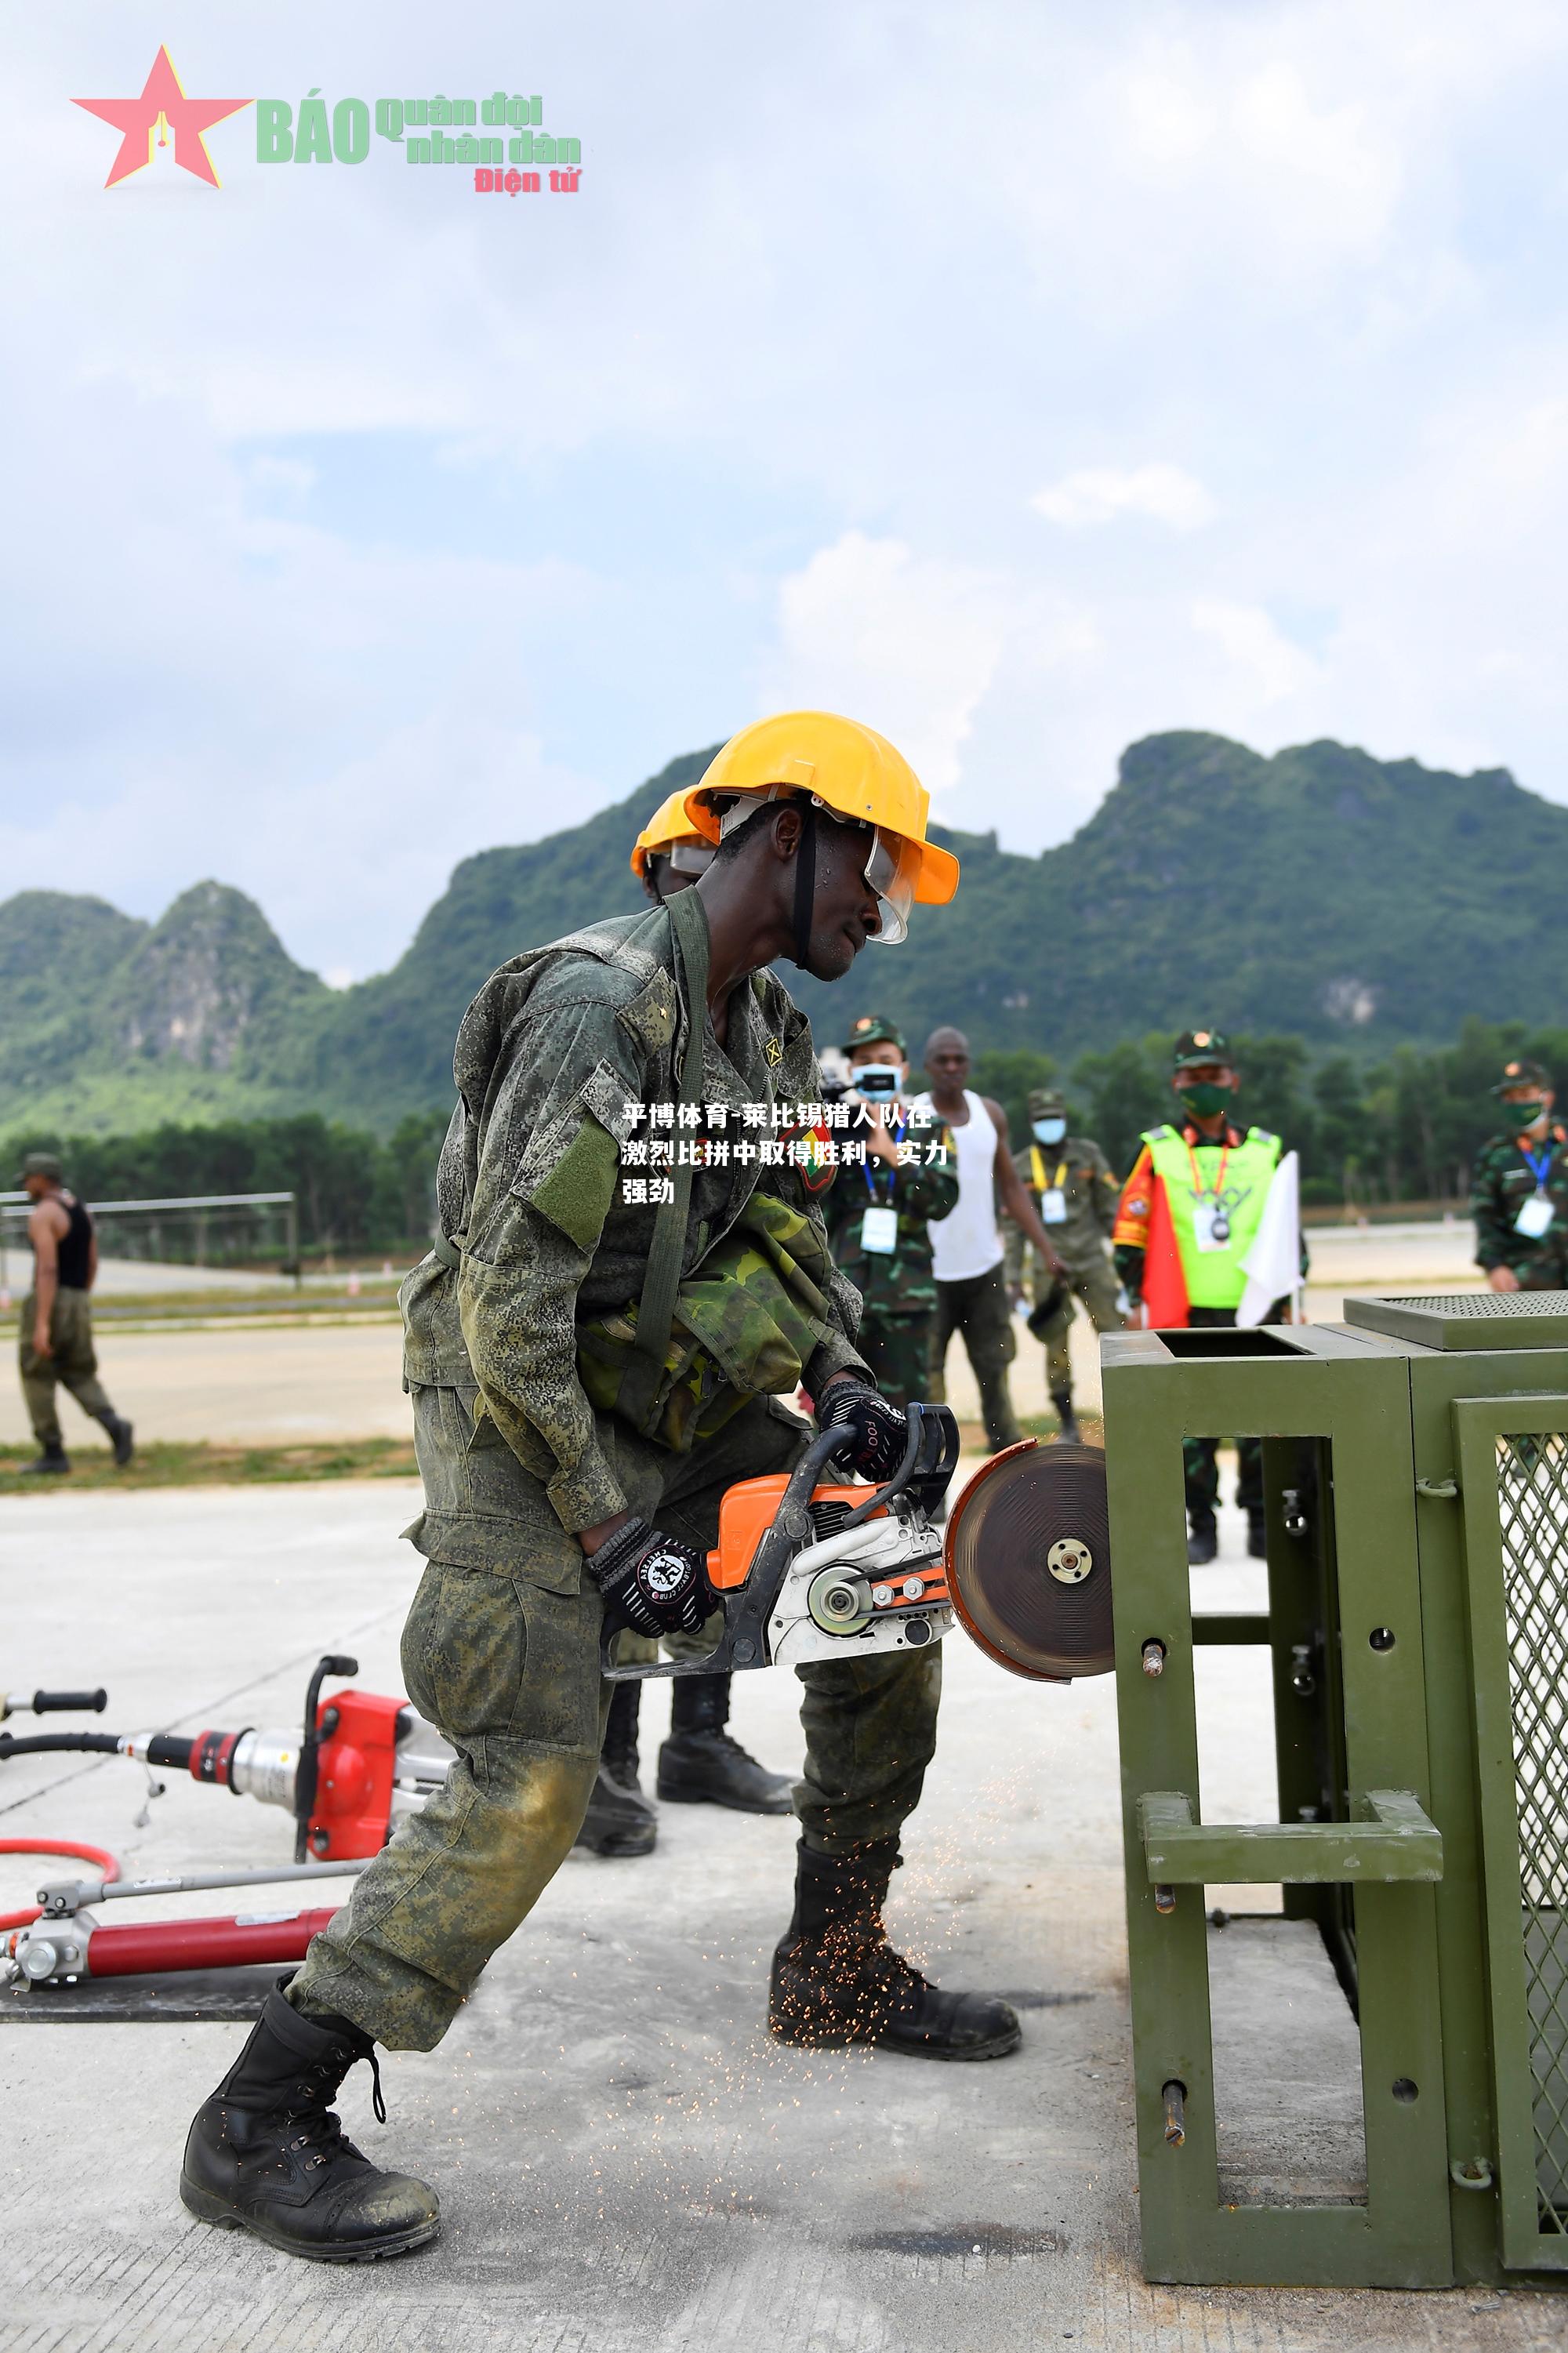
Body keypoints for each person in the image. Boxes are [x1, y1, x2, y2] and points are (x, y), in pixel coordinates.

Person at [180, 710, 1022, 2266]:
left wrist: (841, 1380)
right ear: (788, 834)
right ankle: (257, 2119)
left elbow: (775, 1230)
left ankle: (834, 1963)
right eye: (875, 873)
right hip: (519, 1419)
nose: (881, 910)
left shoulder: (761, 1034)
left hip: (649, 1394)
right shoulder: (600, 1015)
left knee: (883, 1566)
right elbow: (510, 1308)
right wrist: (612, 1530)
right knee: (535, 1771)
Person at [574, 790, 791, 1861]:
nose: (703, 890)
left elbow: (781, 1197)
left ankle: (698, 1741)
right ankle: (603, 1764)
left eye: (719, 867)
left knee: (729, 1535)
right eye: (685, 871)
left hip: (720, 1337)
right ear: (654, 879)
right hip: (612, 1347)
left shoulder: (761, 1021)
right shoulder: (601, 1009)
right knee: (623, 1548)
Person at [1113, 1030, 1303, 1564]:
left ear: (1232, 1080)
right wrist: (1134, 1298)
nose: (1204, 1086)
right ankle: (1202, 1523)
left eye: (1213, 1075)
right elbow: (1130, 1232)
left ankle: (1264, 1521)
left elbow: (1290, 1235)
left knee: (1263, 1421)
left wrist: (1292, 1292)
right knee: (1188, 1429)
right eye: (1193, 1077)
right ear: (1177, 1083)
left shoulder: (1268, 1150)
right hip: (1183, 1314)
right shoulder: (1157, 1150)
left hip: (1256, 1311)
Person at [914, 1028, 1066, 1452]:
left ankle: (1007, 1477)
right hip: (928, 1274)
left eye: (958, 1059)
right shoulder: (912, 1117)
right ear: (927, 1066)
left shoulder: (990, 1115)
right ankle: (929, 1493)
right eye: (942, 1060)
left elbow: (1013, 1189)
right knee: (927, 1385)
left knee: (995, 1372)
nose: (951, 1067)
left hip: (984, 1270)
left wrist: (1047, 1249)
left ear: (968, 1064)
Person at [821, 1015, 956, 1409]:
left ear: (903, 1069)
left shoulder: (928, 1128)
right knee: (837, 1416)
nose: (874, 1067)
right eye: (864, 1061)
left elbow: (944, 1201)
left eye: (884, 1058)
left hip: (907, 1300)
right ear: (850, 1071)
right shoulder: (835, 1128)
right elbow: (815, 1206)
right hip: (844, 1296)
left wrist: (893, 1155)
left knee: (911, 1416)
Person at [1003, 1087, 1124, 1443]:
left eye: (1054, 1118)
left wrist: (1128, 1261)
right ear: (1032, 1124)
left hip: (1090, 1260)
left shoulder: (1087, 1156)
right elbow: (1013, 1228)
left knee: (1115, 1337)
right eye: (1042, 1120)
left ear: (1065, 1119)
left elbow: (1109, 1210)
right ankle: (1069, 1423)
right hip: (1047, 1268)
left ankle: (1122, 1411)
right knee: (1055, 1347)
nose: (1049, 1125)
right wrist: (1013, 1280)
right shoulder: (1022, 1166)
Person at [15, 1151, 133, 1476]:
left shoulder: (44, 1214)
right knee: (79, 1370)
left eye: (28, 1179)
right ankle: (114, 1425)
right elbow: (93, 1262)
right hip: (80, 1298)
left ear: (41, 1179)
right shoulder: (81, 1211)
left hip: (51, 1298)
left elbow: (48, 1268)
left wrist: (42, 1322)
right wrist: (80, 1300)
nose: (26, 1185)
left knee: (36, 1371)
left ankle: (52, 1451)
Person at [1472, 1057, 1568, 1293]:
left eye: (1525, 1095)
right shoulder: (1496, 1155)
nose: (1517, 1103)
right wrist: (1495, 1266)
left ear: (1547, 1097)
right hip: (1527, 1282)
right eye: (1510, 1098)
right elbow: (1487, 1217)